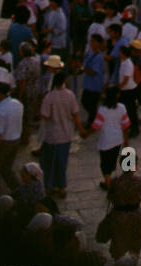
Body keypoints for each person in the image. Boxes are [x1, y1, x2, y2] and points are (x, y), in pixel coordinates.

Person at [39, 68, 84, 198]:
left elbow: (45, 115)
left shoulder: (50, 96)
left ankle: (50, 186)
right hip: (66, 135)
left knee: (49, 163)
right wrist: (81, 129)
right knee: (62, 162)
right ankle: (61, 186)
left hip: (52, 135)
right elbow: (75, 114)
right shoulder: (70, 95)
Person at [90, 85, 130, 192]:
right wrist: (126, 140)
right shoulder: (121, 108)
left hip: (105, 141)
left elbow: (95, 126)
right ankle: (108, 180)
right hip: (117, 140)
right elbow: (125, 126)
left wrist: (85, 133)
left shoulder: (103, 109)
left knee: (104, 163)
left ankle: (108, 183)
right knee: (112, 161)